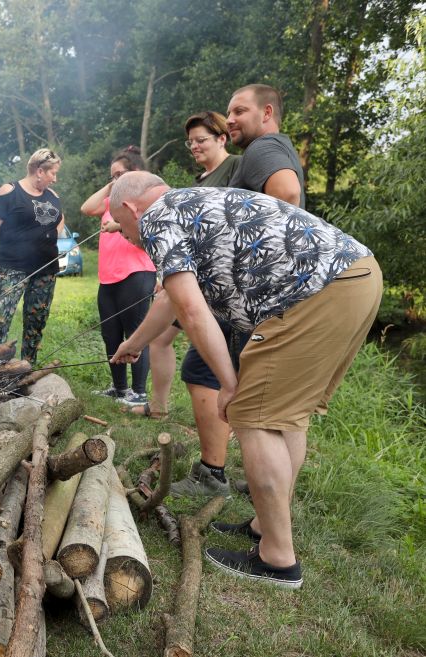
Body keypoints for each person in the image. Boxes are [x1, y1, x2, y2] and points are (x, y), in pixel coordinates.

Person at [110, 172, 381, 588]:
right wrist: (135, 342)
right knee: (288, 417)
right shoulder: (192, 205)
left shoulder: (157, 216)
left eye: (126, 230)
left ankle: (277, 559)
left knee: (253, 417)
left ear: (131, 209)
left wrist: (229, 384)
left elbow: (194, 313)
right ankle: (266, 526)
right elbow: (169, 300)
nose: (132, 239)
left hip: (313, 291)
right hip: (354, 276)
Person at [137, 112, 247, 497]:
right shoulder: (201, 181)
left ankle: (214, 473)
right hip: (203, 288)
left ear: (221, 139)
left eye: (202, 139)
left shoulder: (237, 168)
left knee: (203, 367)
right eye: (191, 142)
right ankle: (230, 466)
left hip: (227, 294)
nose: (196, 146)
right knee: (171, 345)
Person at [80, 146, 156, 405]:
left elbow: (151, 231)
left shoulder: (147, 199)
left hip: (137, 273)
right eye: (112, 175)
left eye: (120, 174)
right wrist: (112, 185)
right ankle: (120, 388)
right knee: (111, 335)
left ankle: (140, 392)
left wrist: (120, 225)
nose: (114, 179)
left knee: (136, 333)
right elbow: (87, 208)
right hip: (108, 277)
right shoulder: (111, 201)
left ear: (136, 172)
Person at [0, 148, 64, 365]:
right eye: (52, 173)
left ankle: (26, 368)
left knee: (36, 322)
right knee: (0, 319)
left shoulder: (52, 197)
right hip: (13, 267)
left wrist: (53, 237)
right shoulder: (9, 191)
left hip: (46, 269)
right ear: (39, 170)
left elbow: (59, 221)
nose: (54, 179)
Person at [227, 83, 305, 208]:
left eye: (239, 111)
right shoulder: (280, 146)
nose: (228, 120)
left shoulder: (262, 148)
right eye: (229, 114)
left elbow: (288, 193)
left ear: (267, 113)